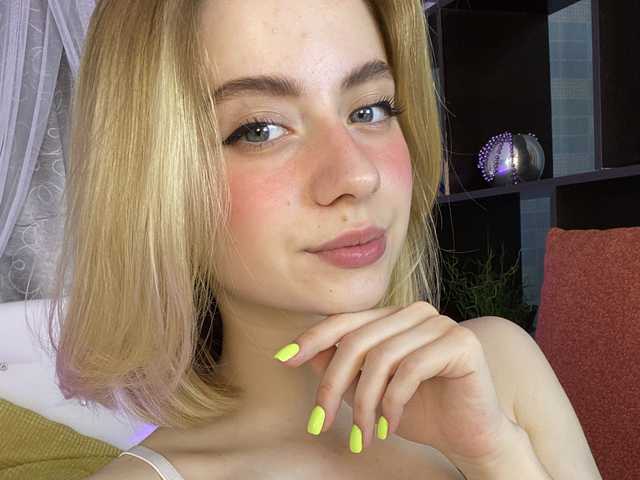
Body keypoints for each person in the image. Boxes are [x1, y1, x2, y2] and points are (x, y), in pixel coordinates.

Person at [46, 0, 602, 478]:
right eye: (260, 129)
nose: (357, 175)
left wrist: (497, 455)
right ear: (153, 186)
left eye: (370, 110)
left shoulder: (501, 366)